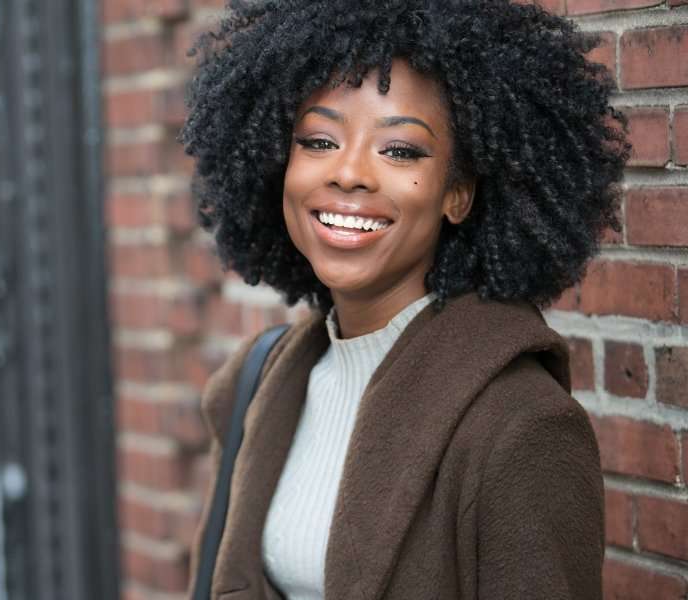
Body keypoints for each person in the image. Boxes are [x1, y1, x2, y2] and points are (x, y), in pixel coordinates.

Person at [179, 1, 629, 599]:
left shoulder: (519, 426)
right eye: (317, 140)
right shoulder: (258, 384)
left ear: (458, 194)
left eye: (399, 151)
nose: (349, 173)